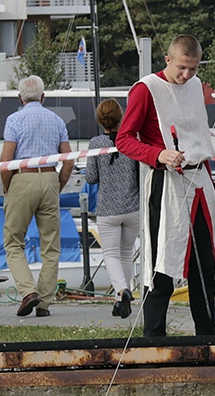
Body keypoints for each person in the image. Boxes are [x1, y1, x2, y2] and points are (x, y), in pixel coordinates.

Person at [116, 34, 215, 337]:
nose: (187, 75)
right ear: (167, 60)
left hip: (199, 180)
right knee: (161, 260)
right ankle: (154, 335)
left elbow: (198, 134)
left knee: (205, 261)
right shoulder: (146, 89)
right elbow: (124, 139)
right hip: (165, 181)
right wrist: (157, 153)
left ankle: (207, 331)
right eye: (182, 68)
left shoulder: (195, 85)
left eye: (193, 69)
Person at [0, 75, 74, 318]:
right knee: (51, 246)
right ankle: (44, 303)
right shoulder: (57, 120)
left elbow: (6, 160)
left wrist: (7, 186)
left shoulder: (14, 119)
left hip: (23, 176)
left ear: (20, 98)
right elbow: (68, 160)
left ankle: (28, 291)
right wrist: (58, 184)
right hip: (50, 178)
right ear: (43, 97)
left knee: (13, 241)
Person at [86, 99, 140, 318]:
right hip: (132, 206)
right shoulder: (133, 141)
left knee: (110, 253)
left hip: (108, 208)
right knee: (126, 253)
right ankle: (121, 301)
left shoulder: (95, 143)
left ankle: (121, 290)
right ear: (121, 117)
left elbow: (91, 177)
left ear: (100, 120)